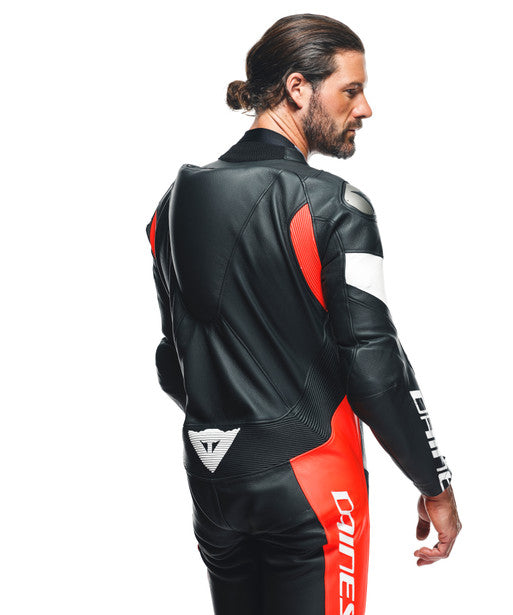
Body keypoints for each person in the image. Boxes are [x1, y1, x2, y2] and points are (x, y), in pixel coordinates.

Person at [146, 13, 461, 615]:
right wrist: (434, 482)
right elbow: (375, 367)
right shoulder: (335, 205)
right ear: (298, 87)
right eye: (351, 89)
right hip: (314, 485)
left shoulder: (171, 206)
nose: (365, 108)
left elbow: (172, 362)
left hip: (216, 488)